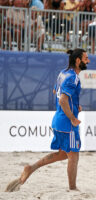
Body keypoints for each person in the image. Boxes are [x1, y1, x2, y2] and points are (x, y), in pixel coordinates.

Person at [5, 49, 90, 192]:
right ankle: (73, 189)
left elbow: (56, 92)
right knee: (73, 156)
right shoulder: (73, 77)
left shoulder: (63, 73)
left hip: (58, 120)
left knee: (63, 154)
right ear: (77, 61)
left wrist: (75, 105)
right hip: (66, 123)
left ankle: (30, 168)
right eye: (86, 58)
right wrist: (73, 117)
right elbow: (63, 99)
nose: (88, 61)